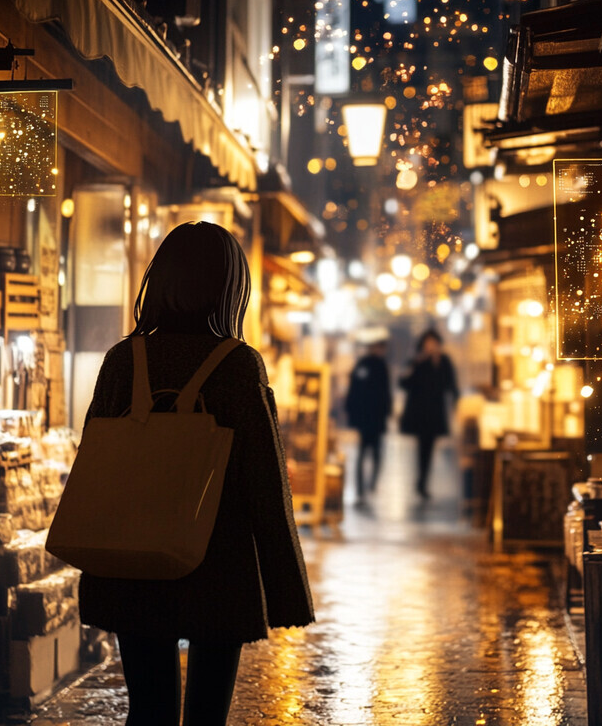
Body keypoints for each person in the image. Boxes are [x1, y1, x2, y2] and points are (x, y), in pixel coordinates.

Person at [77, 222, 314, 726]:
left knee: (149, 709)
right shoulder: (236, 366)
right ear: (229, 288)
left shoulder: (125, 359)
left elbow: (92, 461)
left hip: (133, 556)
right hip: (219, 563)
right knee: (207, 716)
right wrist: (285, 589)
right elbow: (265, 483)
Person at [399, 328, 459, 500]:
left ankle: (422, 481)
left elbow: (451, 384)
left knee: (428, 447)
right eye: (428, 343)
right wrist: (417, 363)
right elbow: (404, 383)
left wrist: (456, 402)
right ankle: (421, 481)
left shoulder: (444, 361)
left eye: (434, 343)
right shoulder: (417, 361)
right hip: (418, 412)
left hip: (434, 412)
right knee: (422, 448)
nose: (431, 346)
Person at [345, 334, 392, 502]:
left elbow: (386, 393)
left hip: (373, 417)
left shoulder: (376, 365)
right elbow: (355, 390)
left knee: (372, 453)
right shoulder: (364, 364)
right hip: (369, 418)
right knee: (366, 452)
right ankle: (362, 488)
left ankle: (370, 485)